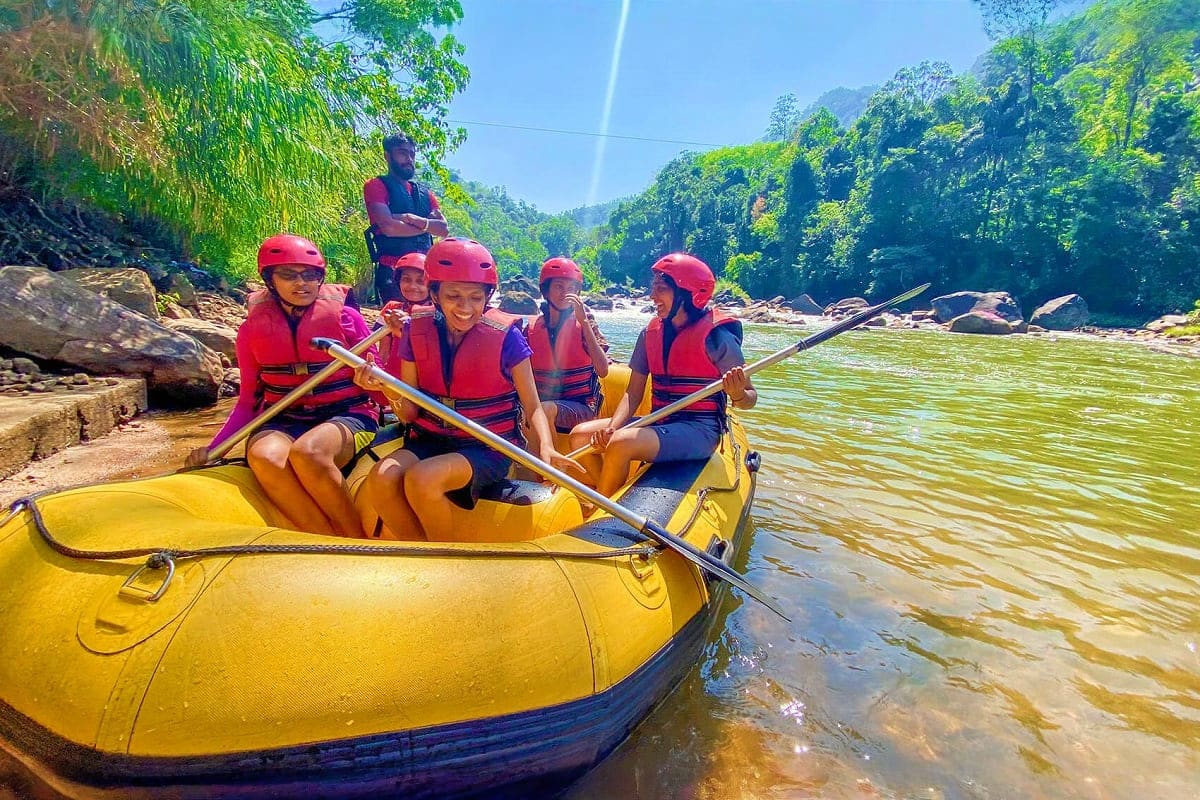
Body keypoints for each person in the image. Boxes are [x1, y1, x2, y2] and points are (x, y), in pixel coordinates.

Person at [353, 237, 580, 539]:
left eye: (475, 297)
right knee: (381, 477)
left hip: (487, 446)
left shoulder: (506, 338)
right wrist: (384, 385)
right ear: (435, 294)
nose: (465, 307)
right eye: (454, 296)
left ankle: (444, 560)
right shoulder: (415, 331)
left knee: (423, 479)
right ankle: (421, 552)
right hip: (430, 438)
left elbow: (533, 406)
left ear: (487, 297)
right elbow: (408, 413)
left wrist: (547, 448)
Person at [186, 234, 379, 537]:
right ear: (270, 280)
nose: (301, 283)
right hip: (285, 418)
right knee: (264, 457)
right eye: (288, 275)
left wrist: (374, 382)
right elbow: (249, 400)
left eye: (310, 275)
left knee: (309, 453)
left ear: (320, 278)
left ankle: (358, 539)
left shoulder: (347, 318)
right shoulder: (251, 331)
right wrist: (214, 449)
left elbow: (379, 388)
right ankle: (322, 538)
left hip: (348, 414)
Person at [568, 253, 757, 500]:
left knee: (621, 443)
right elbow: (633, 392)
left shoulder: (717, 338)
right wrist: (612, 426)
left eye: (661, 289)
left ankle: (601, 510)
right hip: (660, 421)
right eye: (653, 288)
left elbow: (750, 398)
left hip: (700, 430)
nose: (652, 296)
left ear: (688, 294)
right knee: (579, 435)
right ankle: (609, 494)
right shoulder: (649, 334)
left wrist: (738, 394)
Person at [523, 257, 609, 456]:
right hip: (546, 406)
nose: (565, 293)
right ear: (546, 291)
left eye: (571, 288)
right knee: (530, 411)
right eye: (559, 287)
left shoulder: (586, 324)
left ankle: (552, 477)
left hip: (582, 409)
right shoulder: (533, 328)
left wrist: (584, 322)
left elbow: (603, 370)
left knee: (541, 411)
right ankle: (535, 480)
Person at [363, 133, 449, 304]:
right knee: (397, 324)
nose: (409, 159)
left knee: (428, 323)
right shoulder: (376, 186)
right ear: (388, 156)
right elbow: (389, 227)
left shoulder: (426, 194)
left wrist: (411, 219)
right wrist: (427, 225)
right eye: (402, 153)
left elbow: (443, 229)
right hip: (393, 272)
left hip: (425, 273)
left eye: (412, 154)